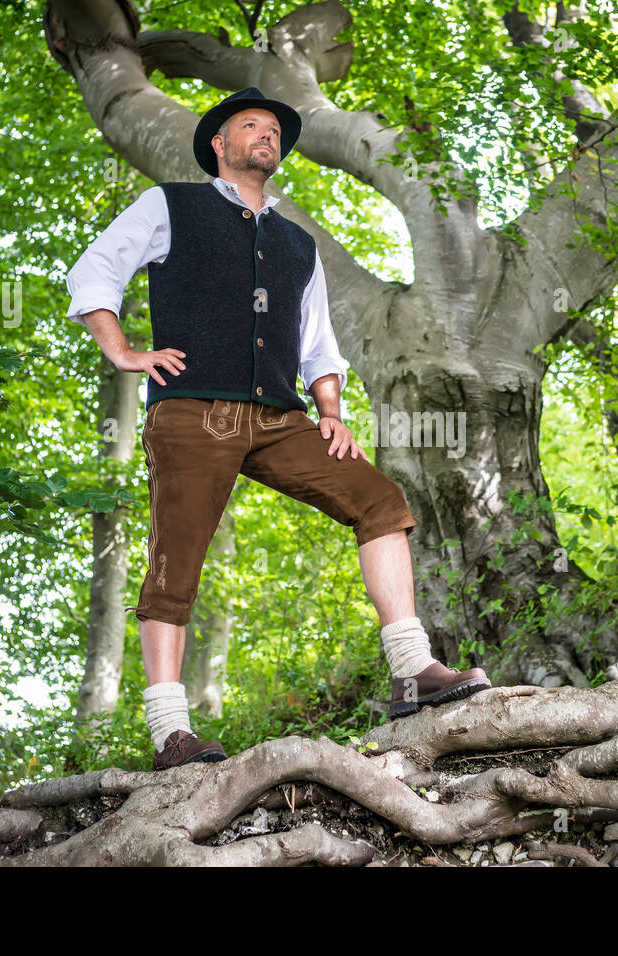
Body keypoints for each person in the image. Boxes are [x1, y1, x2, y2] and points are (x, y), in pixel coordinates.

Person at [64, 87, 490, 771]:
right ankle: (171, 732)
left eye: (275, 130)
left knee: (380, 501)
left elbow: (317, 341)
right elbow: (95, 271)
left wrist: (331, 413)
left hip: (280, 417)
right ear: (218, 144)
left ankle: (412, 669)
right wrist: (123, 352)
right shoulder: (171, 205)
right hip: (192, 410)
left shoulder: (297, 242)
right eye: (251, 126)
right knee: (176, 561)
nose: (267, 135)